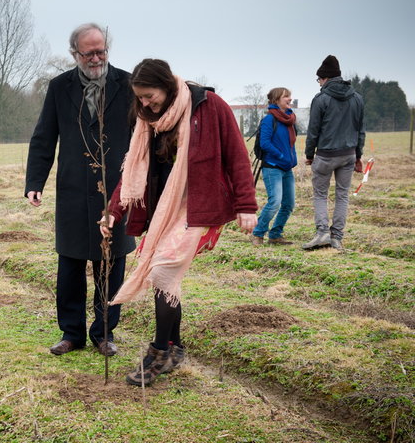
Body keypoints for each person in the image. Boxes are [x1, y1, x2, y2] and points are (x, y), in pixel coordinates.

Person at [101, 59, 257, 386]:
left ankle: (158, 353)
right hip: (164, 209)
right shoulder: (147, 119)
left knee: (163, 270)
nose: (144, 103)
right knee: (165, 277)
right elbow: (134, 168)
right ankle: (175, 348)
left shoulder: (209, 106)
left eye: (149, 95)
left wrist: (246, 204)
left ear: (168, 86)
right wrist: (113, 209)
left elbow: (237, 155)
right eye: (139, 97)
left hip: (201, 206)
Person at [25, 23, 136, 357]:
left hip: (117, 191)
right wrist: (34, 182)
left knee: (112, 263)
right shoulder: (60, 87)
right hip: (73, 190)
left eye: (101, 50)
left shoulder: (128, 84)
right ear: (75, 54)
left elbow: (146, 133)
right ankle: (71, 332)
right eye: (89, 53)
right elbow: (44, 136)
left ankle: (104, 334)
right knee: (70, 266)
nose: (97, 58)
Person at [302, 55, 365, 251]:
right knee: (342, 195)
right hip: (348, 154)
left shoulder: (321, 99)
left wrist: (309, 154)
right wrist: (359, 156)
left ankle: (322, 233)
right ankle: (337, 236)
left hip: (326, 155)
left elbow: (313, 130)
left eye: (319, 80)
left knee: (320, 194)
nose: (319, 84)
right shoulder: (357, 98)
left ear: (325, 78)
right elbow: (360, 130)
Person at [250, 87, 298, 246]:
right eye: (286, 96)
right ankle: (257, 233)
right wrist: (281, 156)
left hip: (287, 168)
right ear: (276, 100)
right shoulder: (269, 119)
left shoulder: (289, 119)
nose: (290, 99)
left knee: (289, 204)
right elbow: (265, 143)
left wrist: (292, 158)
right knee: (275, 202)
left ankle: (275, 234)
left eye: (290, 96)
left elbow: (290, 143)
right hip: (272, 167)